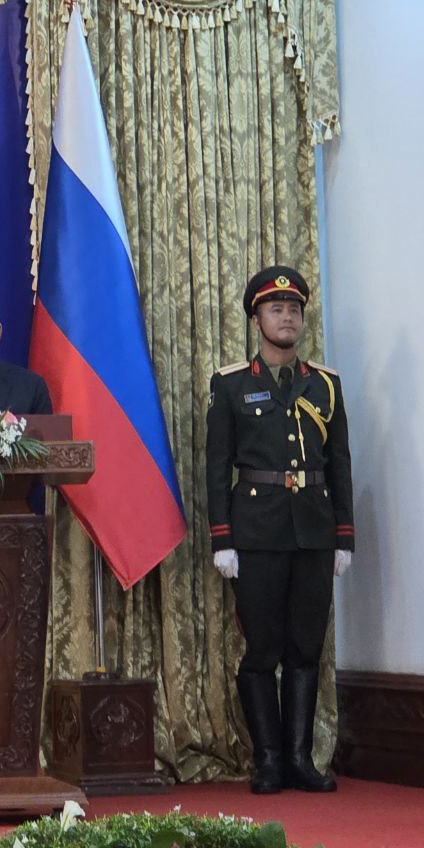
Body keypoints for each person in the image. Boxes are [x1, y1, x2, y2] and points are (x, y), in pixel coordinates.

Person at [205, 265, 355, 795]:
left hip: (313, 532)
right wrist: (222, 538)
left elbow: (339, 463)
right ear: (257, 320)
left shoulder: (326, 384)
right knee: (262, 650)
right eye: (276, 309)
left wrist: (344, 536)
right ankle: (267, 760)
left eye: (293, 309)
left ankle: (299, 759)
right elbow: (217, 465)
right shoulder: (230, 384)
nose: (286, 317)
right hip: (256, 533)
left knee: (305, 648)